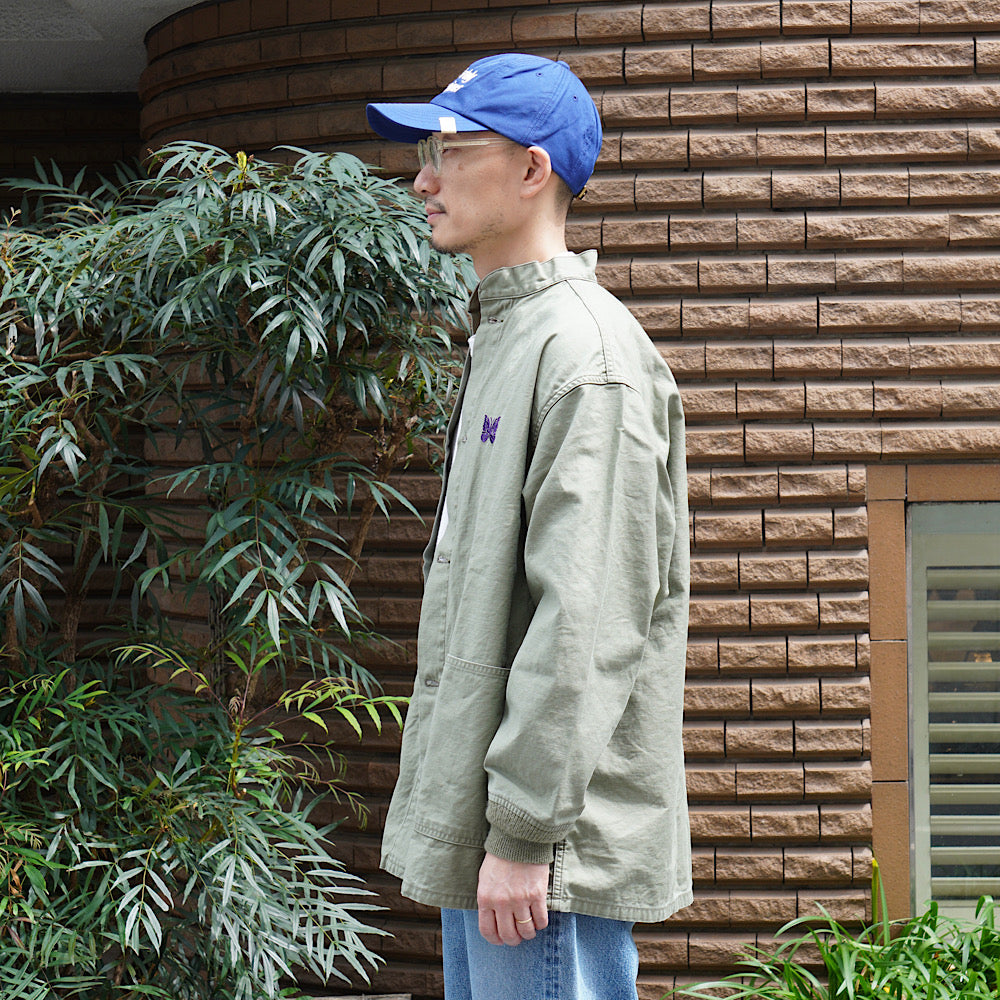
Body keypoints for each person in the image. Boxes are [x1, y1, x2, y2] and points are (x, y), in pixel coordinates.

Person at [365, 53, 692, 1000]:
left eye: (449, 151)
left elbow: (587, 622)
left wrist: (521, 834)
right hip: (500, 834)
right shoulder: (515, 336)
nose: (423, 180)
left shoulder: (585, 354)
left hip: (545, 854)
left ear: (532, 169)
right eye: (424, 154)